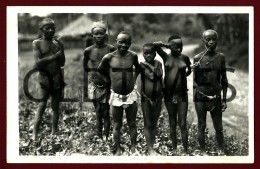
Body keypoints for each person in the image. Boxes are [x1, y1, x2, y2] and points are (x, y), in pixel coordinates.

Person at [97, 31, 140, 155]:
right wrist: (108, 80)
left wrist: (134, 79)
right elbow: (100, 70)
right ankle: (117, 148)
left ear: (130, 43)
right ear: (116, 41)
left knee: (132, 123)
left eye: (127, 43)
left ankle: (133, 147)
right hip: (116, 96)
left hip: (130, 95)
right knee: (117, 124)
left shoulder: (133, 56)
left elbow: (138, 68)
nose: (124, 45)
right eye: (121, 42)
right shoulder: (109, 57)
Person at [153, 34, 192, 155]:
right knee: (172, 122)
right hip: (169, 95)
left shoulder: (184, 58)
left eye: (180, 46)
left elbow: (189, 69)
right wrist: (166, 45)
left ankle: (185, 150)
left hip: (182, 95)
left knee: (183, 123)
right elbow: (155, 46)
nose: (179, 49)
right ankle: (175, 148)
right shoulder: (165, 57)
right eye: (175, 46)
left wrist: (183, 76)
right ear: (170, 47)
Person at [192, 29, 228, 156]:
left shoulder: (221, 57)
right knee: (201, 125)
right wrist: (195, 70)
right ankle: (203, 151)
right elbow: (196, 82)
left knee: (218, 126)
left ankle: (221, 150)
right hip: (201, 97)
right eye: (208, 40)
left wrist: (224, 100)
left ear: (217, 41)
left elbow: (224, 79)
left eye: (214, 39)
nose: (211, 42)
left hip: (216, 97)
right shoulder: (197, 58)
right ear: (204, 42)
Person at [32, 18, 65, 140]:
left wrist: (61, 47)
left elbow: (62, 62)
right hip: (43, 80)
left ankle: (54, 132)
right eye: (47, 28)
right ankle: (34, 134)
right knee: (42, 106)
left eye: (53, 28)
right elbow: (38, 62)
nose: (51, 30)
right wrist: (54, 56)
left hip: (56, 79)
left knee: (56, 107)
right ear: (42, 30)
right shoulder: (37, 43)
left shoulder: (57, 43)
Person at [83, 21, 116, 140]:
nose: (98, 36)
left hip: (106, 84)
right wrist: (93, 76)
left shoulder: (110, 48)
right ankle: (99, 136)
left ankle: (106, 137)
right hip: (94, 84)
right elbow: (85, 66)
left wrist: (107, 79)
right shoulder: (88, 50)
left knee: (106, 112)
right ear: (92, 35)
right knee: (98, 111)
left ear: (105, 35)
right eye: (96, 34)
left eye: (101, 33)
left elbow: (114, 66)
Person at [139, 43, 164, 155]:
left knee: (154, 122)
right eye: (146, 53)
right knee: (148, 122)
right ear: (143, 54)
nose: (148, 55)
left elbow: (159, 74)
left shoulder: (158, 63)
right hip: (146, 98)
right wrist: (145, 66)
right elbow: (152, 76)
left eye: (151, 53)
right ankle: (150, 148)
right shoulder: (142, 66)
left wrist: (147, 66)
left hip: (158, 97)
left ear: (155, 54)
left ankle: (152, 145)